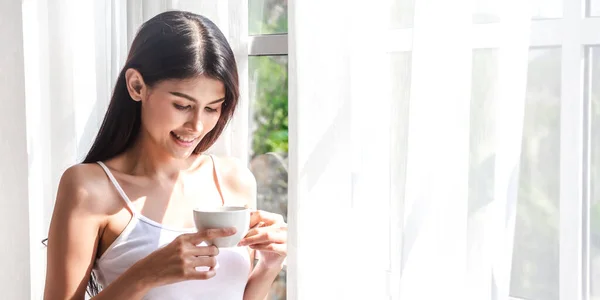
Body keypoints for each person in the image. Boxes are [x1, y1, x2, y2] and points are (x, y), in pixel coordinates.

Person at [43, 10, 287, 300]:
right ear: (136, 86)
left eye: (212, 108)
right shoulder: (89, 187)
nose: (197, 126)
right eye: (182, 105)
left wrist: (270, 266)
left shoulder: (234, 181)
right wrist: (146, 274)